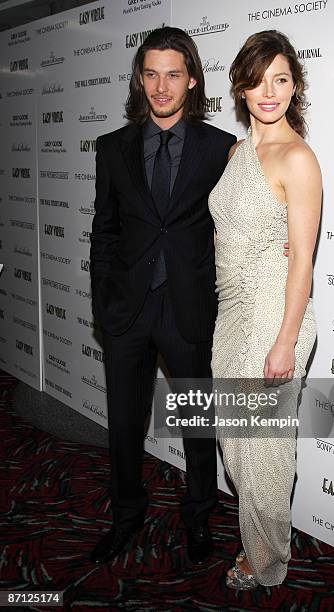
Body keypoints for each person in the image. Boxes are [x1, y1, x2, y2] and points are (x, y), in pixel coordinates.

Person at [89, 26, 236, 565]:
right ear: (139, 79)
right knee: (124, 422)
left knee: (198, 424)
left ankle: (199, 517)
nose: (161, 86)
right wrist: (103, 302)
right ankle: (126, 516)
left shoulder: (220, 147)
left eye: (173, 74)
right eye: (151, 74)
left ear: (192, 80)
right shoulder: (112, 149)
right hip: (127, 309)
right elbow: (104, 231)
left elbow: (236, 224)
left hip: (188, 307)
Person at [209, 30, 321, 590]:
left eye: (280, 78)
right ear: (241, 89)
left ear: (294, 86)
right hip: (231, 315)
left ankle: (267, 561)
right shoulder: (237, 153)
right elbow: (228, 232)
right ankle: (261, 538)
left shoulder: (297, 157)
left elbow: (302, 258)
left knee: (266, 455)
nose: (268, 91)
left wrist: (285, 339)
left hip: (275, 319)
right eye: (257, 80)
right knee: (238, 446)